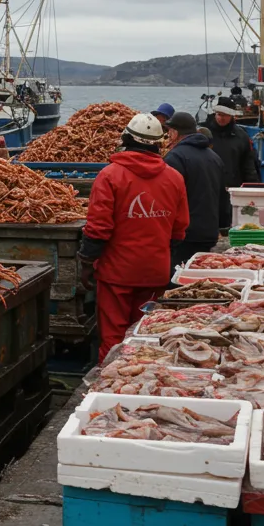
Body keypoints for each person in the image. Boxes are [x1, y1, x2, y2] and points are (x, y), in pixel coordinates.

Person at [81, 114, 190, 361]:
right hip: (155, 271)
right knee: (147, 332)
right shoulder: (174, 178)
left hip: (116, 274)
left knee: (113, 335)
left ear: (126, 139)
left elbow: (98, 228)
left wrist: (86, 262)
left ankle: (111, 383)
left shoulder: (110, 176)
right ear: (157, 143)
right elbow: (180, 228)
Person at [162, 112, 225, 272]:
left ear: (175, 133)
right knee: (200, 275)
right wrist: (222, 226)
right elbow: (222, 196)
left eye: (169, 132)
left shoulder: (174, 158)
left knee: (178, 277)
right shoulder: (215, 157)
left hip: (185, 234)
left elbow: (169, 199)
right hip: (209, 231)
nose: (168, 136)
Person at [204, 96, 260, 191]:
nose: (222, 118)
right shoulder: (204, 133)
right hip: (208, 187)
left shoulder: (242, 136)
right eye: (219, 114)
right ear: (215, 114)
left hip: (233, 187)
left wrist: (253, 187)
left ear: (231, 116)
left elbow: (248, 165)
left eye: (225, 115)